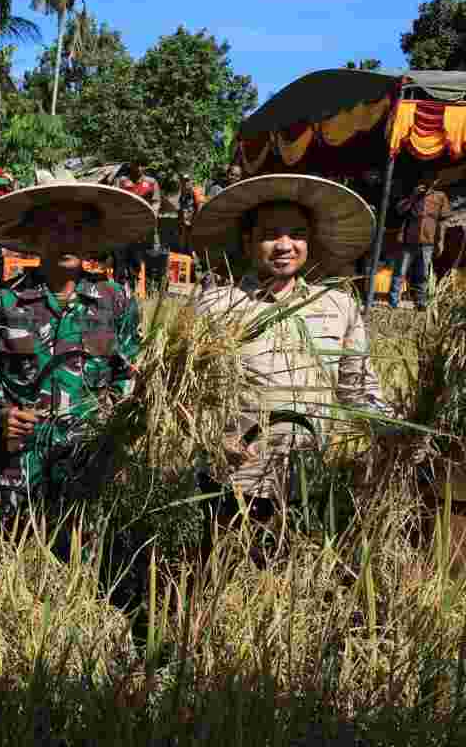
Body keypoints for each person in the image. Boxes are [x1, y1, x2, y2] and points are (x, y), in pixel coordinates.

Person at [189, 174, 391, 532]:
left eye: (296, 234)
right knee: (218, 577)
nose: (285, 245)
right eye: (270, 234)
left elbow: (357, 390)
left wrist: (393, 429)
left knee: (294, 578)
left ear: (310, 241)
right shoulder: (215, 306)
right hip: (233, 480)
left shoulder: (339, 306)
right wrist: (214, 439)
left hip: (308, 480)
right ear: (249, 240)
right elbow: (184, 394)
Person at [0, 182, 152, 554]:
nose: (67, 238)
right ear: (33, 236)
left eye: (78, 229)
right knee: (0, 563)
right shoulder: (0, 301)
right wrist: (2, 413)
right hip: (17, 460)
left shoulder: (117, 301)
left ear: (93, 238)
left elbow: (133, 371)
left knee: (88, 563)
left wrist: (110, 417)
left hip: (89, 458)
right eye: (55, 228)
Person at [390, 172, 449, 311]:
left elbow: (442, 222)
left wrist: (440, 242)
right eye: (427, 178)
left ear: (437, 181)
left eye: (433, 179)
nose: (430, 182)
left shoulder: (440, 196)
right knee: (400, 271)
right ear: (422, 179)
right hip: (408, 239)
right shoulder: (413, 194)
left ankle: (421, 303)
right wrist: (412, 197)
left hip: (427, 241)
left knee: (423, 273)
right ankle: (393, 302)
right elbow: (400, 210)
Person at [116, 164, 162, 288]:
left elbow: (156, 202)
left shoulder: (151, 182)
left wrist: (152, 216)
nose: (137, 168)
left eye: (140, 165)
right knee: (124, 257)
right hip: (126, 226)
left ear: (143, 167)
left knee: (149, 255)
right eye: (134, 165)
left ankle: (149, 285)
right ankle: (124, 287)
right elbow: (114, 200)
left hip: (145, 226)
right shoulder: (122, 181)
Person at [176, 173, 205, 255]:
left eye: (187, 180)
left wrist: (195, 222)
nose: (185, 183)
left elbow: (201, 208)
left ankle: (196, 261)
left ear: (191, 181)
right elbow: (182, 210)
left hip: (195, 224)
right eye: (183, 181)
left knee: (193, 248)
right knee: (183, 244)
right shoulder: (183, 194)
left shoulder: (196, 191)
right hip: (186, 224)